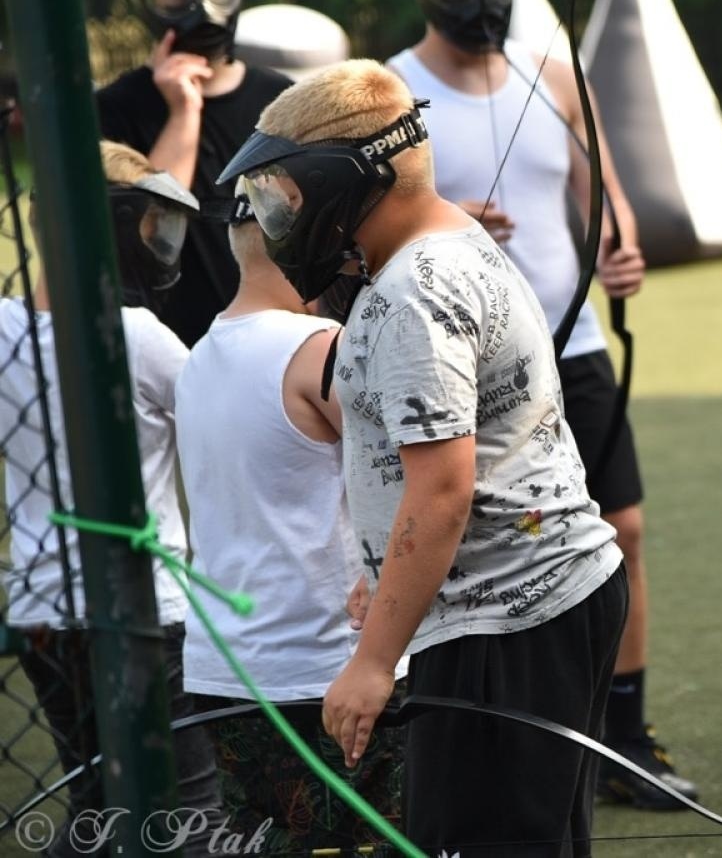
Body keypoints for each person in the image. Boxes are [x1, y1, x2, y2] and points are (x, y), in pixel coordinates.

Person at [219, 60, 626, 858]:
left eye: (284, 196)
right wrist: (389, 573)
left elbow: (442, 492)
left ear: (340, 182)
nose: (278, 220)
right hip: (526, 603)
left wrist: (372, 665)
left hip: (506, 619)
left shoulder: (416, 292)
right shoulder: (446, 241)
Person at [385, 0, 695, 810]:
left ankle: (623, 740)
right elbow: (375, 222)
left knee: (621, 531)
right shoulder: (397, 90)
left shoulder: (551, 71)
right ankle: (487, 738)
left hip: (576, 344)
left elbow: (602, 194)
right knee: (472, 548)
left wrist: (620, 249)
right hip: (464, 365)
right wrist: (447, 220)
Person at [0, 143, 221, 855]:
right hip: (144, 608)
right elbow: (221, 428)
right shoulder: (138, 335)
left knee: (96, 805)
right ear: (111, 226)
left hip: (41, 610)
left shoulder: (6, 332)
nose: (162, 247)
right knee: (190, 805)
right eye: (151, 228)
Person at [176, 189, 404, 853]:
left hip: (225, 665)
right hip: (323, 664)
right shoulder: (318, 346)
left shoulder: (197, 355)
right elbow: (413, 472)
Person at [96, 0, 293, 346]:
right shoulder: (113, 110)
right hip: (165, 348)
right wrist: (184, 112)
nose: (201, 4)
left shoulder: (281, 99)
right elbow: (142, 237)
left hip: (273, 344)